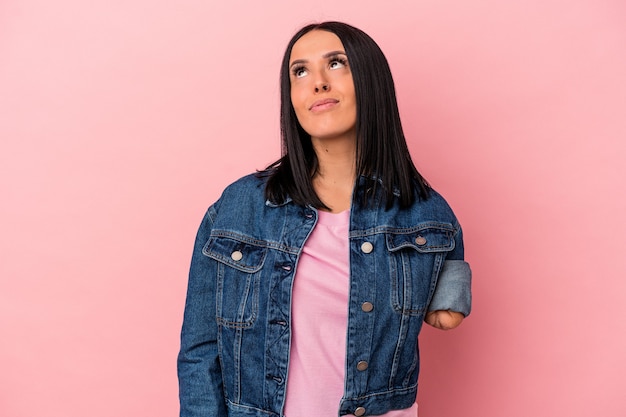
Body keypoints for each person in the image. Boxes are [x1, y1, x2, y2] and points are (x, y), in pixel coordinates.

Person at [177, 21, 472, 417]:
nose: (317, 82)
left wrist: (452, 303)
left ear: (371, 80)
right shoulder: (238, 208)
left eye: (336, 64)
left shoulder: (429, 217)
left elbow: (447, 306)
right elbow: (200, 352)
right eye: (299, 71)